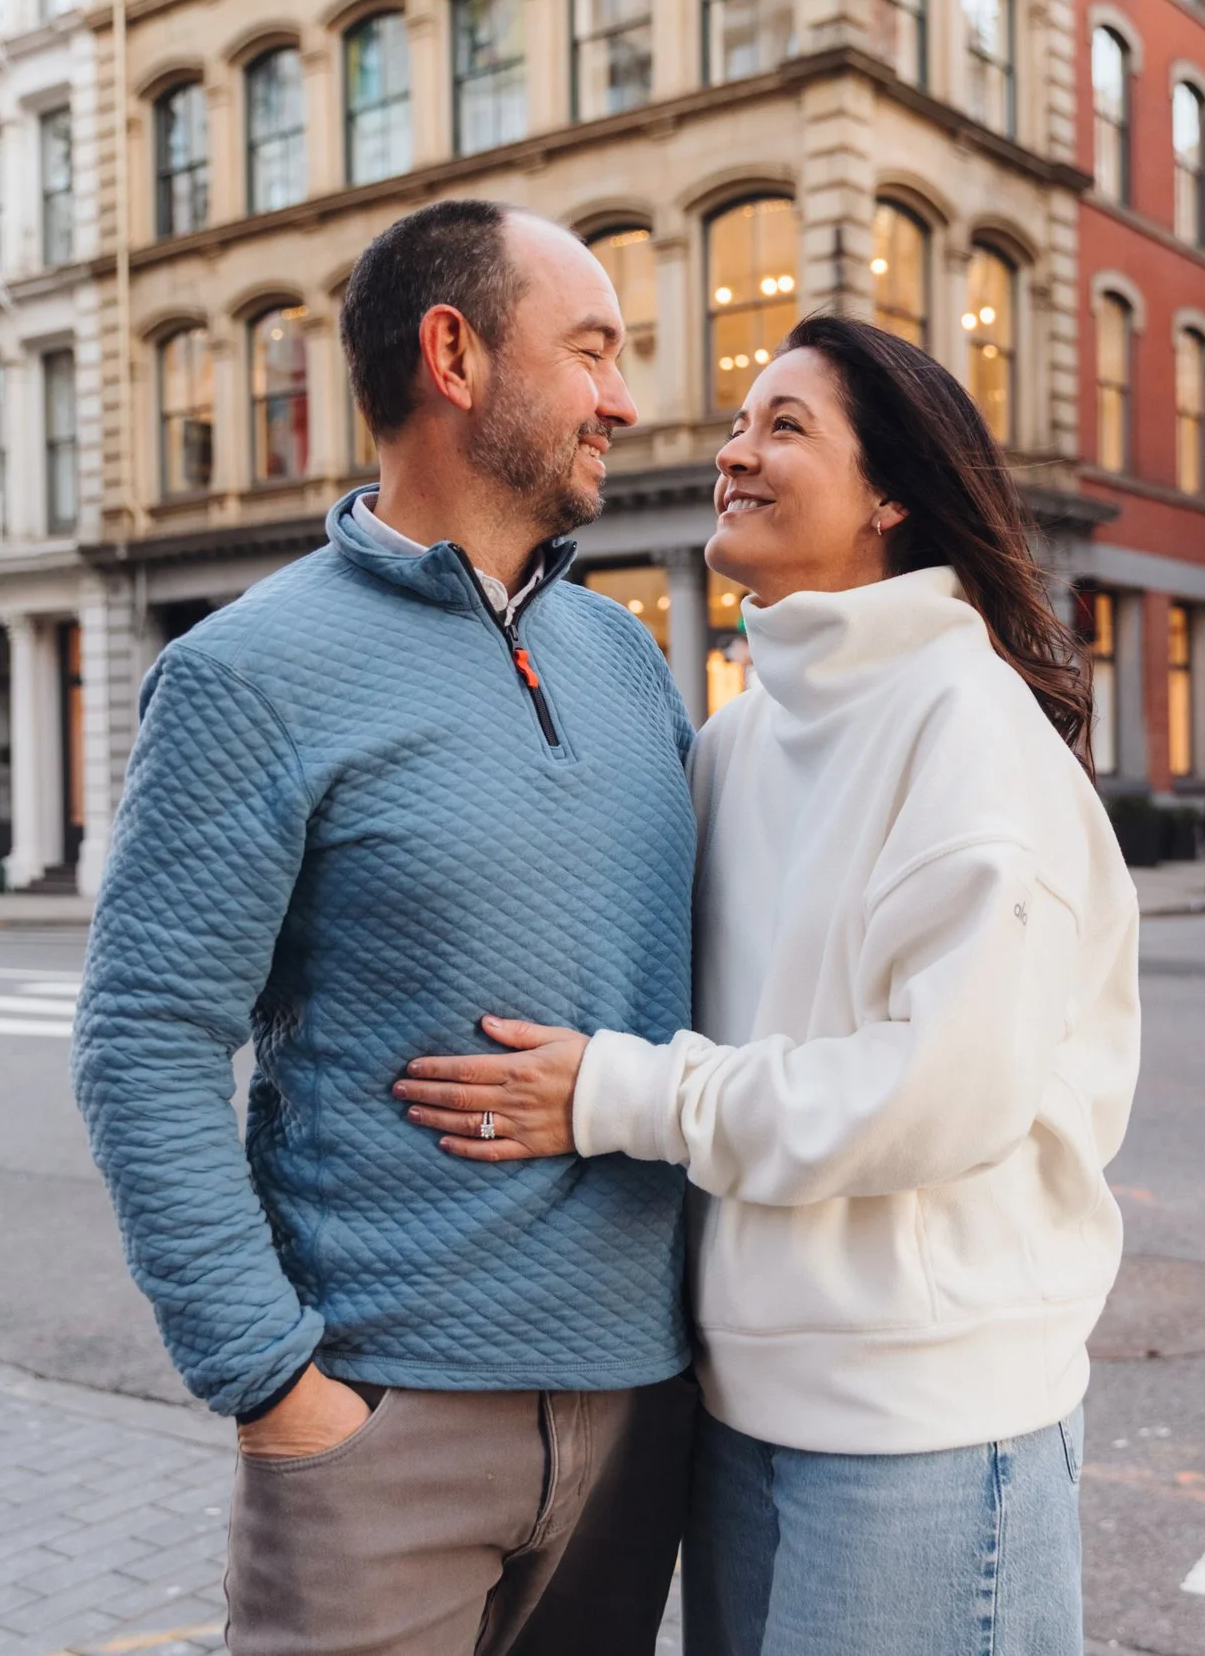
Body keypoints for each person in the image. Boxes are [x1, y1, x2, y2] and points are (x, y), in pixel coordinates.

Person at [392, 314, 1142, 1656]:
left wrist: (616, 1093)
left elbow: (939, 1093)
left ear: (891, 491)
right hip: (739, 1405)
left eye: (784, 426)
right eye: (738, 423)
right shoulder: (737, 740)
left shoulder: (966, 726)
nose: (733, 452)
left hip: (924, 1421)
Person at [70, 199, 700, 1656]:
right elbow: (144, 1043)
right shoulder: (246, 672)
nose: (622, 398)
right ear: (454, 356)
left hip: (640, 1415)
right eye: (591, 350)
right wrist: (273, 1383)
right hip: (382, 1431)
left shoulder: (624, 657)